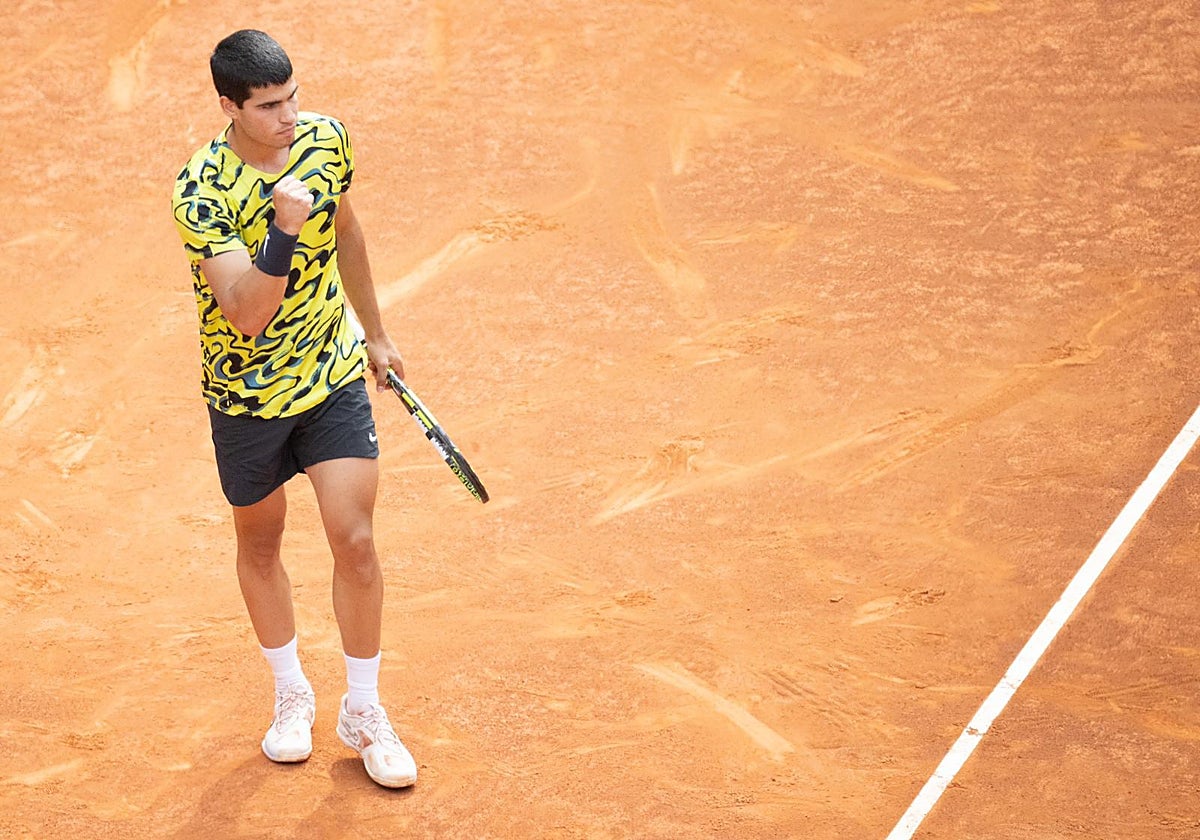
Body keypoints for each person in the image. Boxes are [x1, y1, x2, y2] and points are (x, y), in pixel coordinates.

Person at [171, 29, 416, 789]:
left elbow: (344, 227)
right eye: (269, 107)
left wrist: (376, 333)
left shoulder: (325, 139)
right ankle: (291, 692)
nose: (288, 117)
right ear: (229, 107)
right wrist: (282, 229)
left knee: (356, 539)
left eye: (293, 98)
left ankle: (364, 709)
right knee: (261, 541)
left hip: (330, 374)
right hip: (245, 397)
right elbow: (246, 312)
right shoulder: (201, 190)